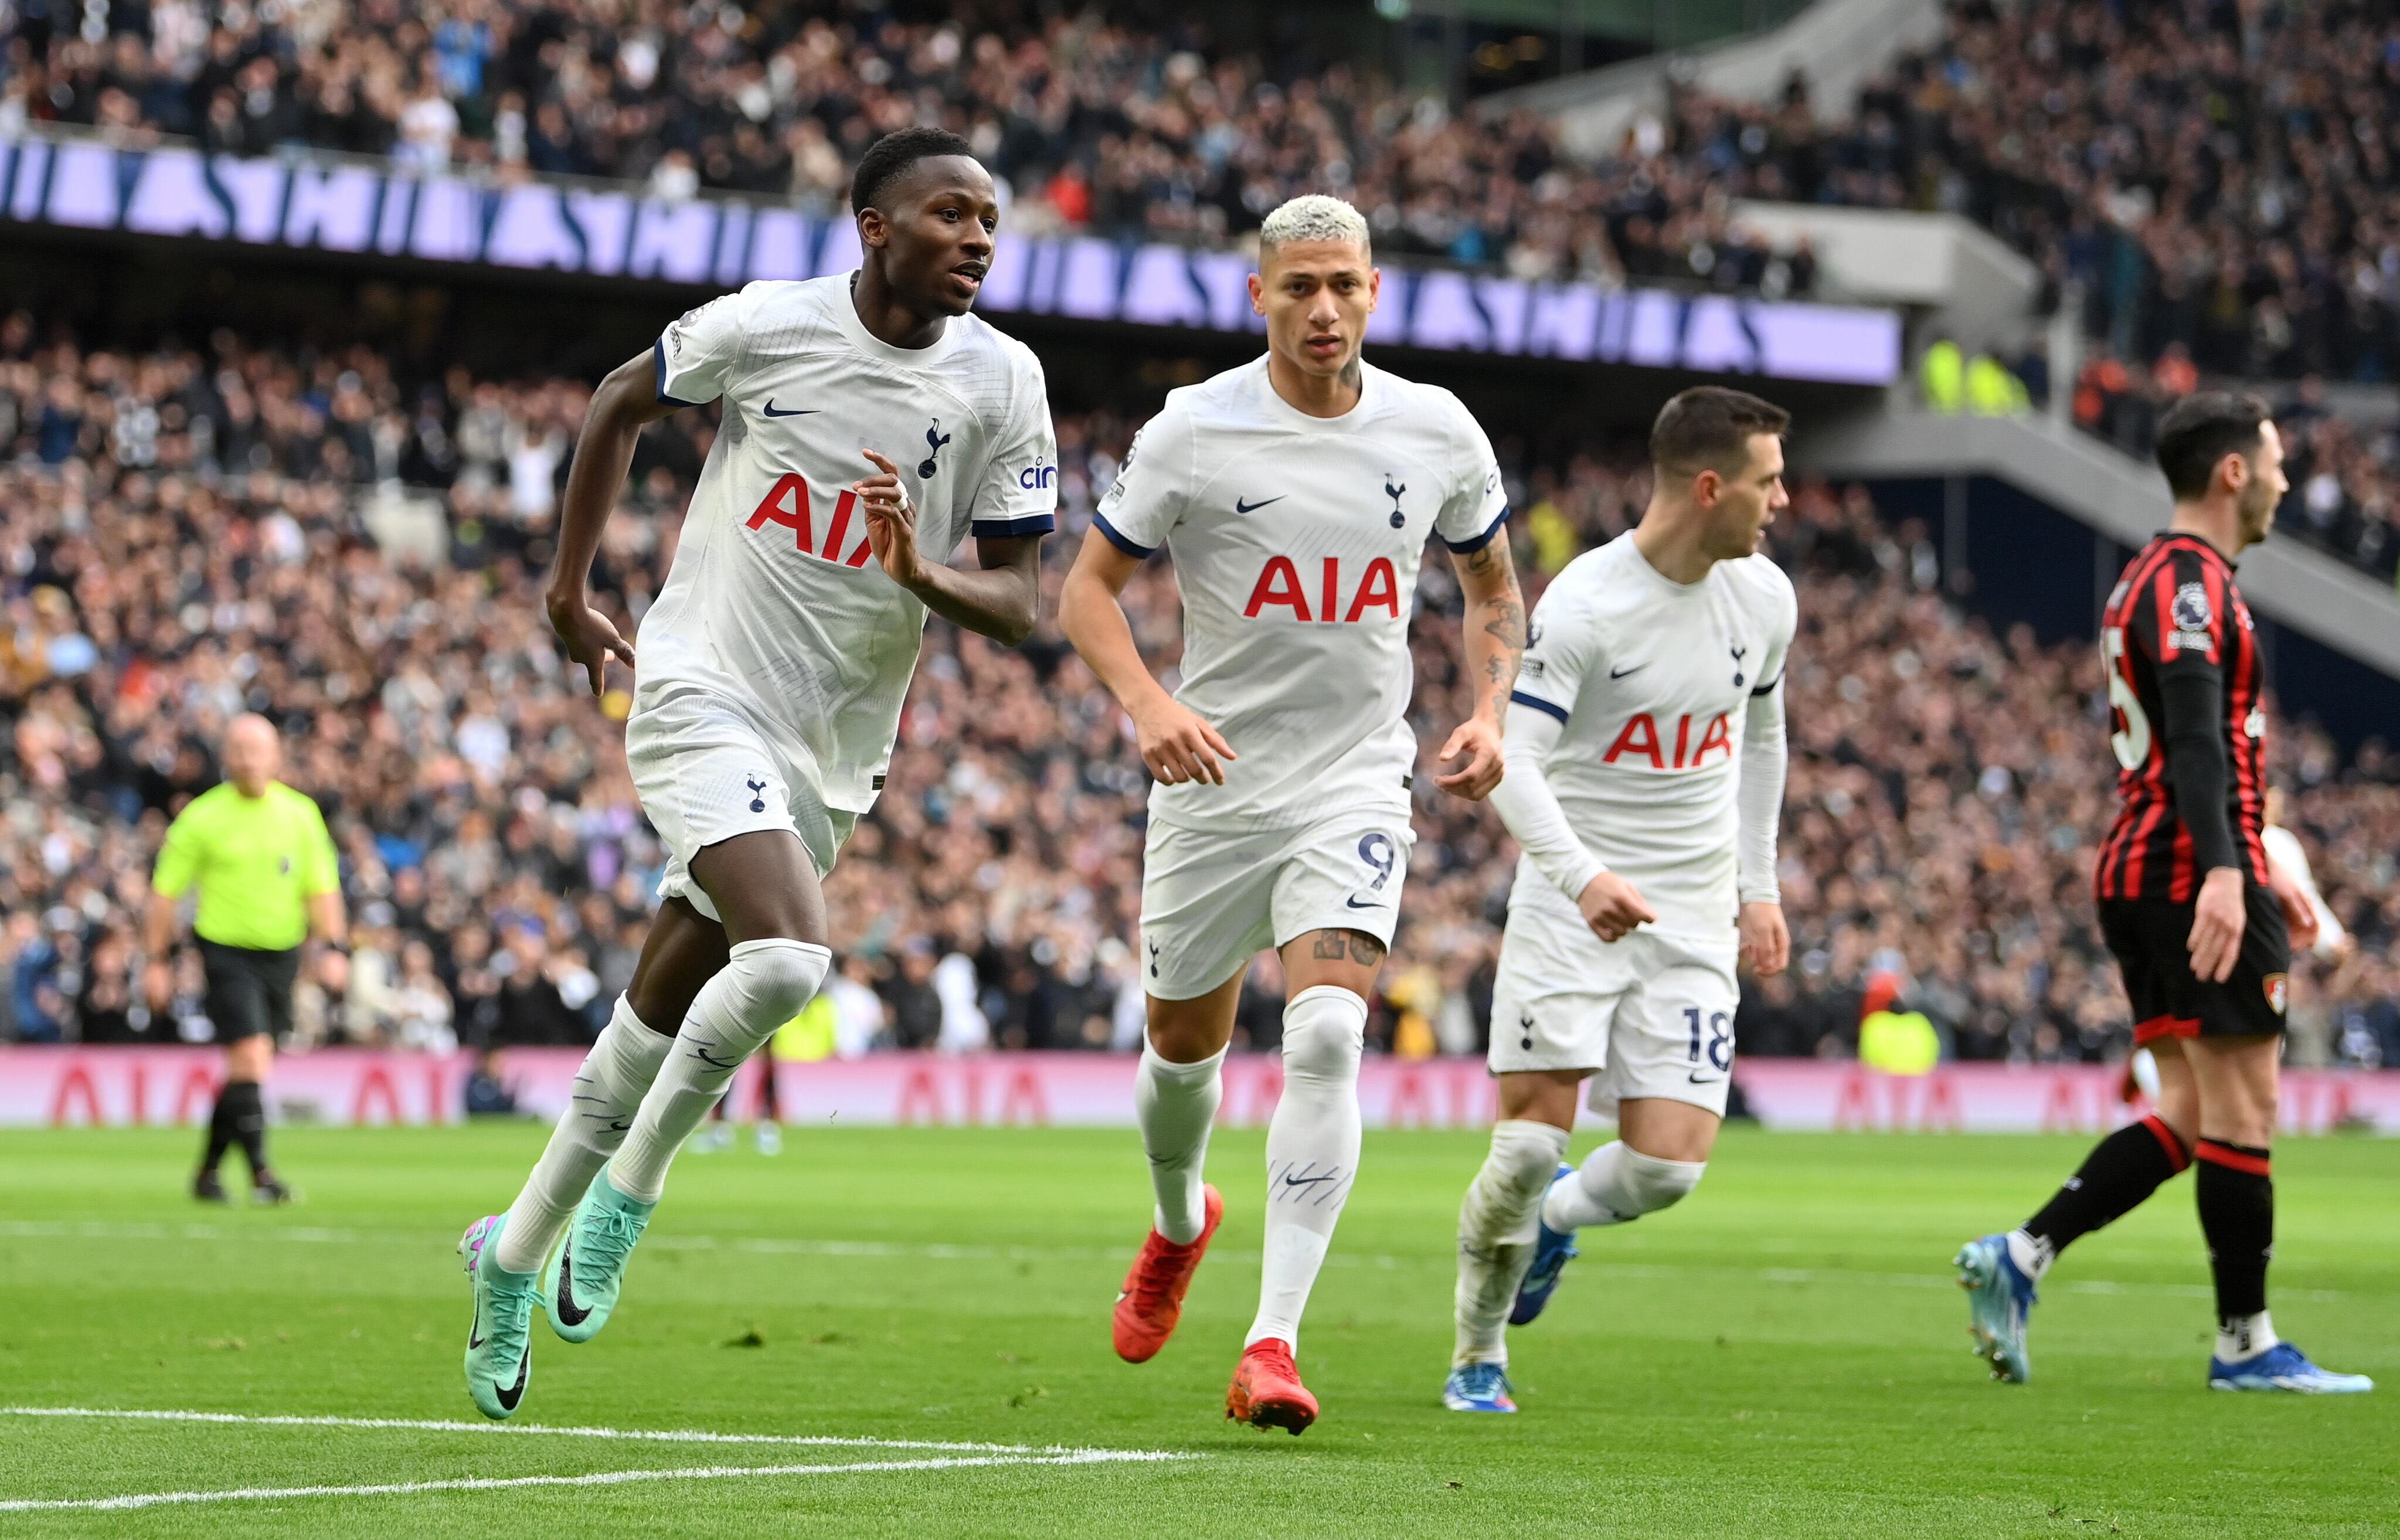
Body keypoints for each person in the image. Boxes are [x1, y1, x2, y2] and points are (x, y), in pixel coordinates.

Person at [458, 125, 1058, 1420]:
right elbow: (621, 396)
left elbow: (1017, 601)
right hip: (699, 686)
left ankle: (508, 1257)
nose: (976, 237)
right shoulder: (768, 327)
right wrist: (569, 591)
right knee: (787, 957)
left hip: (836, 747)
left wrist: (922, 575)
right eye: (948, 213)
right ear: (875, 226)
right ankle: (632, 1194)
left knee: (656, 1009)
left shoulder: (1005, 383)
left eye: (990, 219)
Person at [1058, 193, 1524, 1434]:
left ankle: (1272, 1339)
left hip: (1353, 777)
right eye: (1299, 285)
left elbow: (1491, 585)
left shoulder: (1436, 429)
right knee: (1180, 1052)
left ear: (1376, 293)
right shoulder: (1196, 429)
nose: (1323, 308)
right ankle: (1175, 1221)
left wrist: (1490, 706)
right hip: (1210, 779)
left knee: (1324, 1037)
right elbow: (1087, 588)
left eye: (1344, 285)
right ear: (1258, 295)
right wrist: (1148, 700)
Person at [1954, 392, 2372, 1394]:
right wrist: (2230, 868)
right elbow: (2192, 740)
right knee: (2244, 1106)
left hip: (2152, 861)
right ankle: (2243, 1343)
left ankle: (2021, 1255)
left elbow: (2209, 752)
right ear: (2230, 471)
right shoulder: (2189, 585)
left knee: (2185, 1113)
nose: (2280, 479)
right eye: (2271, 462)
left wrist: (2258, 852)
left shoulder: (2156, 576)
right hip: (2186, 867)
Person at [1440, 387, 1797, 1413]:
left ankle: (1556, 1221)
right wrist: (1582, 877)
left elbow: (1759, 740)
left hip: (1689, 919)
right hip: (1571, 905)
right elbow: (1514, 762)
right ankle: (1477, 1354)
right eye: (1767, 481)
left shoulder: (1763, 598)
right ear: (1707, 486)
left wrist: (1756, 888)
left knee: (1662, 1173)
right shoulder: (1587, 606)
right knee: (1524, 1146)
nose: (1780, 500)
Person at [145, 713, 348, 1205]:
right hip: (224, 949)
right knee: (253, 1054)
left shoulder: (300, 814)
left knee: (249, 1068)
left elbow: (321, 888)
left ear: (277, 756)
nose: (248, 759)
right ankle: (262, 1174)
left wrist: (335, 947)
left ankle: (207, 1170)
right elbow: (165, 894)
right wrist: (156, 959)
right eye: (239, 749)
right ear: (225, 757)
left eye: (257, 749)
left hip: (281, 954)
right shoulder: (202, 817)